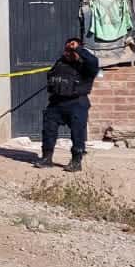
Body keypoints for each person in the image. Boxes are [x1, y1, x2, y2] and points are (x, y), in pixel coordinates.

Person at [36, 38, 101, 172]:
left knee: (78, 133)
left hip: (77, 103)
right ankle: (46, 158)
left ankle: (76, 161)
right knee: (48, 129)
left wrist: (77, 49)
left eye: (72, 50)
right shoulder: (60, 63)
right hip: (56, 102)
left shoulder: (86, 67)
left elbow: (93, 61)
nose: (69, 52)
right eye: (67, 49)